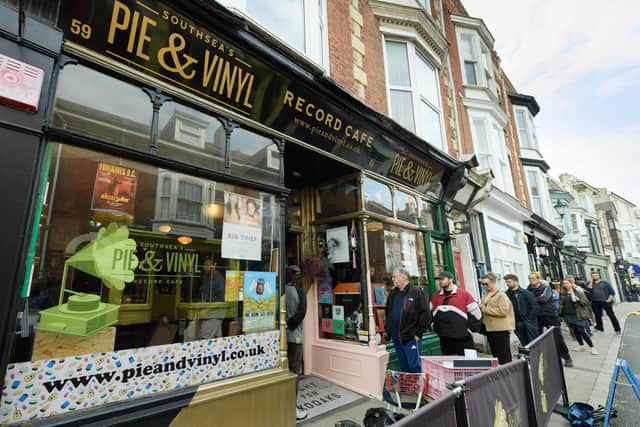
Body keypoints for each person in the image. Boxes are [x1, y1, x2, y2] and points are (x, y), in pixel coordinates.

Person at [384, 267, 429, 372]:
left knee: (414, 366)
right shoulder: (393, 293)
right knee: (404, 366)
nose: (393, 279)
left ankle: (420, 387)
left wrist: (418, 334)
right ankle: (409, 388)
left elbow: (425, 314)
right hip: (396, 337)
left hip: (410, 337)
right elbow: (388, 312)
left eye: (395, 277)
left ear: (404, 277)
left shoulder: (416, 292)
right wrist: (388, 330)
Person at [527, 273, 573, 367]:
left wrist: (532, 299)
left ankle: (567, 357)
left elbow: (544, 299)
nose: (531, 280)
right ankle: (540, 359)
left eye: (533, 278)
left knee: (557, 337)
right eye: (530, 278)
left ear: (538, 279)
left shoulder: (546, 287)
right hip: (537, 316)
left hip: (549, 315)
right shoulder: (528, 289)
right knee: (537, 339)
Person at [430, 271, 482, 356]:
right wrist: (435, 327)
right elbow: (430, 314)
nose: (440, 281)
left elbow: (477, 314)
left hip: (463, 339)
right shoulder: (436, 296)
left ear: (451, 279)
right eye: (439, 280)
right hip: (445, 339)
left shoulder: (464, 295)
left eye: (442, 279)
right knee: (449, 364)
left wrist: (468, 330)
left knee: (468, 365)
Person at [285, 265, 308, 421]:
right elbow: (301, 313)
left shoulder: (281, 290)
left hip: (281, 337)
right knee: (294, 371)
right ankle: (291, 406)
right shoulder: (299, 292)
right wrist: (291, 323)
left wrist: (285, 324)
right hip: (295, 337)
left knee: (285, 371)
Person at [479, 273, 515, 364]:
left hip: (500, 329)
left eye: (486, 284)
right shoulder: (487, 293)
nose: (484, 286)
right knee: (496, 354)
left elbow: (503, 311)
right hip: (490, 328)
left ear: (493, 282)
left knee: (504, 354)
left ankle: (508, 372)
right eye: (482, 284)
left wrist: (484, 309)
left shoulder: (501, 295)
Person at [559, 279, 599, 355]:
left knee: (581, 331)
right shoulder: (563, 293)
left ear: (571, 283)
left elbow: (585, 302)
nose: (565, 285)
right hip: (568, 315)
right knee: (575, 331)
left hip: (578, 314)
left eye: (567, 283)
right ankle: (581, 346)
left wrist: (578, 300)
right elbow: (561, 303)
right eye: (564, 284)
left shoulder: (578, 291)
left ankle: (592, 348)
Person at [504, 274, 539, 346]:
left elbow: (535, 306)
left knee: (534, 344)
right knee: (524, 344)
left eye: (509, 282)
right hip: (516, 323)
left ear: (516, 282)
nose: (507, 284)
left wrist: (529, 318)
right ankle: (527, 357)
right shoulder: (506, 294)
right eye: (506, 282)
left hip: (529, 322)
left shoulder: (526, 293)